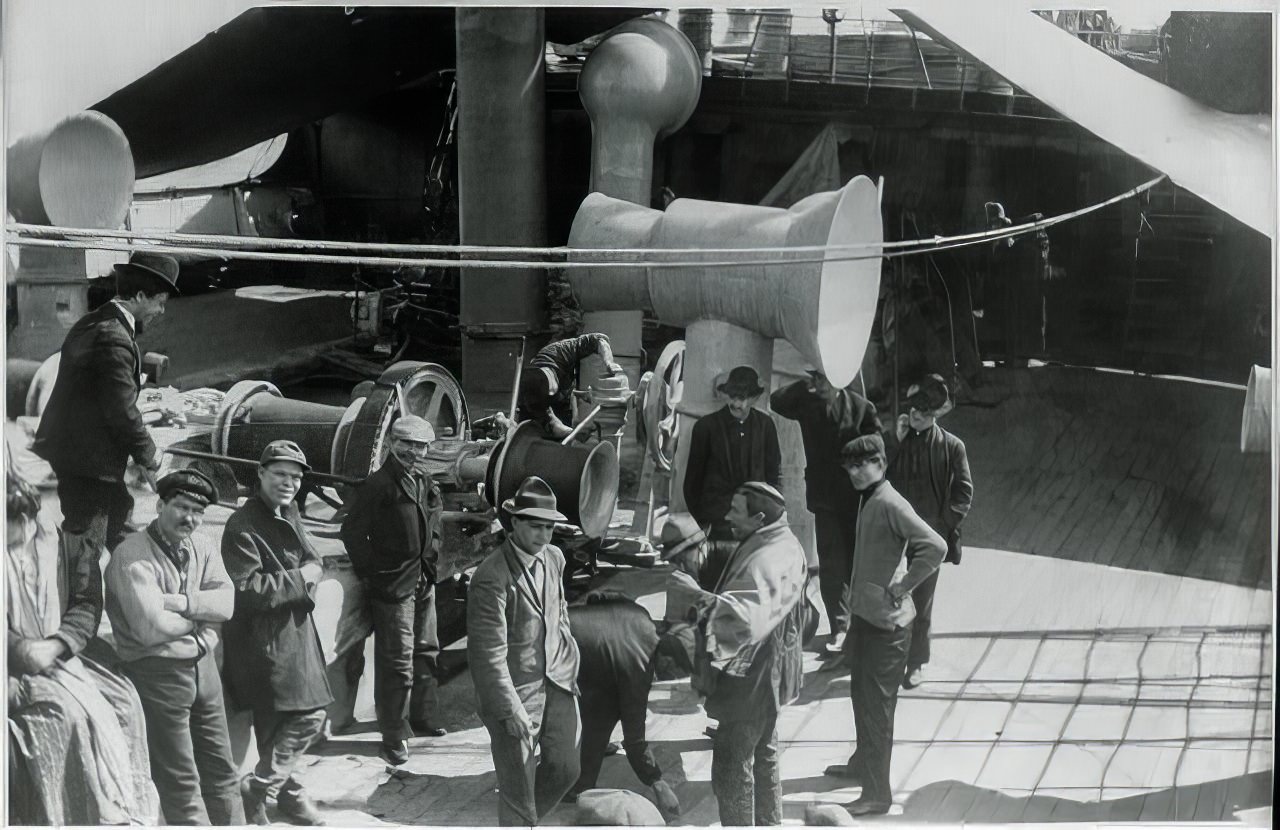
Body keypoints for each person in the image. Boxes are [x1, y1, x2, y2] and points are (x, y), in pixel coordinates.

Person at [6, 459, 159, 825]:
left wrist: (60, 643)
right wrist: (21, 649)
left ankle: (127, 810)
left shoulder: (65, 543)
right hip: (14, 662)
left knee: (125, 702)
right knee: (65, 716)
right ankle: (71, 815)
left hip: (59, 651)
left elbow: (86, 603)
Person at [105, 468, 244, 825]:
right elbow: (153, 629)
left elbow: (227, 604)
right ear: (160, 505)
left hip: (204, 667)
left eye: (198, 512)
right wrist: (204, 623)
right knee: (182, 782)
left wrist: (182, 603)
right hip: (158, 674)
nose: (191, 519)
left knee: (223, 772)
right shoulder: (131, 554)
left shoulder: (203, 544)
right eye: (181, 508)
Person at [668, 482, 807, 826]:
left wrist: (695, 596)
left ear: (759, 518)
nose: (727, 517)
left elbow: (744, 618)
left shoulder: (767, 558)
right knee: (764, 756)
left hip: (753, 679)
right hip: (771, 674)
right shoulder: (781, 542)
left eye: (735, 511)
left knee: (732, 768)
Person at [823, 434, 945, 816]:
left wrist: (902, 586)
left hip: (888, 627)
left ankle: (877, 793)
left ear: (881, 463)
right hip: (867, 619)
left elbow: (935, 547)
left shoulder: (891, 501)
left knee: (877, 708)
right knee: (861, 696)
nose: (856, 473)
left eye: (864, 464)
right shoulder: (870, 498)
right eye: (851, 467)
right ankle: (863, 765)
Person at [32, 251, 179, 553]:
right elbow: (122, 411)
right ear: (140, 295)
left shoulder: (96, 321)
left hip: (84, 455)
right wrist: (151, 460)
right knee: (87, 542)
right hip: (88, 464)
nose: (161, 311)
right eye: (159, 302)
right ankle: (83, 602)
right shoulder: (113, 337)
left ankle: (137, 580)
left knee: (121, 523)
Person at [222, 440, 333, 826]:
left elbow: (312, 556)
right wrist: (302, 578)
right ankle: (262, 787)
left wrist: (310, 571)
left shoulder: (290, 510)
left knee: (283, 722)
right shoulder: (242, 524)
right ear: (260, 474)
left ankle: (279, 798)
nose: (288, 483)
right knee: (306, 716)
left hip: (294, 631)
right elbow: (248, 589)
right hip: (262, 639)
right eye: (280, 475)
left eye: (295, 477)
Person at [467, 476, 581, 825]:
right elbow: (488, 654)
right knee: (518, 788)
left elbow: (559, 617)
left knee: (566, 769)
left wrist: (570, 673)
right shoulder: (491, 577)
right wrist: (509, 707)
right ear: (514, 522)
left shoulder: (555, 558)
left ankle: (524, 822)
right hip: (514, 695)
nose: (544, 536)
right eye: (535, 527)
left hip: (557, 685)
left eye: (549, 528)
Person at [339, 416, 447, 766]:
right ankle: (393, 735)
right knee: (396, 661)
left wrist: (431, 561)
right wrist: (374, 574)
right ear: (391, 444)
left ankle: (424, 717)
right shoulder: (378, 484)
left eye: (421, 446)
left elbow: (434, 525)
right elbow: (353, 533)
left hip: (423, 579)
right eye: (407, 445)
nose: (414, 452)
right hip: (393, 585)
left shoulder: (425, 481)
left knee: (427, 650)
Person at [771, 369, 879, 653]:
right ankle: (839, 627)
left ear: (838, 381)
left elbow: (877, 448)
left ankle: (861, 625)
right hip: (824, 498)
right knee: (832, 564)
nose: (817, 385)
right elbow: (776, 401)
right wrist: (803, 384)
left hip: (856, 498)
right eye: (815, 379)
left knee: (858, 562)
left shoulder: (860, 407)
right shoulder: (808, 405)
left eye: (822, 379)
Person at [885, 374, 973, 689]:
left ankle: (917, 662)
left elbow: (963, 492)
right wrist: (894, 440)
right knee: (891, 599)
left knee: (922, 603)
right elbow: (876, 474)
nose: (915, 415)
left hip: (928, 539)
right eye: (912, 408)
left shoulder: (951, 447)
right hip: (896, 535)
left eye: (923, 410)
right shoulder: (896, 439)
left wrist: (944, 526)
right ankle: (892, 660)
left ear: (934, 414)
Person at [565, 593, 685, 821]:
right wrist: (657, 781)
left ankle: (582, 783)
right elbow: (634, 740)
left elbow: (600, 596)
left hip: (570, 627)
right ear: (666, 660)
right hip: (554, 647)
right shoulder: (639, 663)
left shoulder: (642, 617)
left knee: (605, 706)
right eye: (668, 674)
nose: (660, 678)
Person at [682, 366, 781, 549]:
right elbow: (691, 484)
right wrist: (704, 523)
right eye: (732, 396)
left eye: (742, 398)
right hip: (717, 523)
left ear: (754, 398)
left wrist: (769, 516)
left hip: (754, 524)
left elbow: (774, 476)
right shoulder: (705, 428)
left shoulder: (766, 426)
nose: (736, 404)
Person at [506, 332, 624, 440]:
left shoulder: (560, 351)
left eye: (551, 388)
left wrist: (609, 363)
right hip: (546, 433)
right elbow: (555, 426)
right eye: (548, 393)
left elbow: (599, 340)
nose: (551, 392)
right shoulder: (533, 399)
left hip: (561, 414)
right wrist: (574, 433)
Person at [657, 511, 708, 625]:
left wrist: (699, 595)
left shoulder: (731, 564)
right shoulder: (679, 578)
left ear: (701, 546)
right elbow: (674, 624)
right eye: (674, 561)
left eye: (683, 559)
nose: (681, 567)